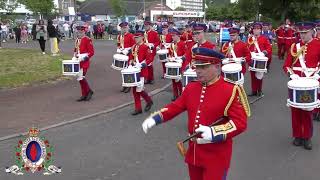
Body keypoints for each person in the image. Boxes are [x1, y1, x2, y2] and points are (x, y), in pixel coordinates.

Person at [142, 47, 250, 180]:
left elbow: (240, 123)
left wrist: (213, 132)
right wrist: (156, 118)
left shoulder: (231, 90)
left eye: (203, 67)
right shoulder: (192, 87)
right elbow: (175, 107)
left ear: (217, 67)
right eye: (197, 66)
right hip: (195, 153)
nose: (198, 70)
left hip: (217, 155)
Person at [283, 22, 320, 150]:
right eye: (301, 33)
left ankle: (307, 137)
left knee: (307, 111)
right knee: (295, 111)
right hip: (296, 84)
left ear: (312, 32)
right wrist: (291, 75)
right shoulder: (295, 46)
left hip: (310, 83)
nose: (303, 35)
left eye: (305, 33)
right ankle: (297, 135)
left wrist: (317, 75)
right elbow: (287, 65)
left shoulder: (318, 45)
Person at [128, 30, 153, 115]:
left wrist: (143, 64)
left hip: (142, 71)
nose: (135, 39)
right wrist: (131, 61)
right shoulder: (133, 47)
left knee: (138, 90)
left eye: (137, 37)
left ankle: (147, 101)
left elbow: (150, 59)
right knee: (135, 90)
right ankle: (139, 108)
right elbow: (131, 56)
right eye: (135, 38)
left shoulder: (145, 47)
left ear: (142, 37)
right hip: (134, 71)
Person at [247, 22, 272, 97]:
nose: (256, 30)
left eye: (258, 29)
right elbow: (247, 48)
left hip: (260, 60)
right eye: (254, 29)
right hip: (252, 59)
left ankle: (259, 90)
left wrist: (264, 52)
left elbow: (269, 48)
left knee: (259, 75)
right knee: (252, 76)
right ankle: (254, 91)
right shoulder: (250, 39)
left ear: (260, 30)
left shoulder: (264, 38)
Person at [74, 23, 95, 102]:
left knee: (81, 77)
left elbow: (91, 52)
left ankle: (87, 92)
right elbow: (76, 50)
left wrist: (84, 57)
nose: (79, 33)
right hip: (78, 61)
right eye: (78, 32)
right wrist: (74, 55)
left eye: (81, 32)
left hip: (84, 62)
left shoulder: (87, 39)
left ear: (84, 32)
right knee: (80, 79)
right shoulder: (77, 40)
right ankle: (85, 93)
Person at [117, 22, 136, 93]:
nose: (123, 29)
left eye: (125, 28)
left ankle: (129, 86)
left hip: (129, 55)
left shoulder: (131, 35)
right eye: (122, 28)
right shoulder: (119, 36)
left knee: (128, 71)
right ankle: (124, 85)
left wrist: (128, 49)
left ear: (127, 28)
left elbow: (134, 45)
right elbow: (118, 44)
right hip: (122, 55)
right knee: (123, 71)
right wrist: (119, 49)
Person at [168, 29, 186, 101]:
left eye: (174, 36)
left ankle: (181, 94)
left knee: (178, 80)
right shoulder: (172, 44)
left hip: (179, 64)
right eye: (172, 36)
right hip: (173, 63)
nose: (172, 37)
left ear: (178, 36)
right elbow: (170, 53)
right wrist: (170, 58)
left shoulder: (182, 43)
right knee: (173, 79)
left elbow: (186, 54)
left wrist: (180, 59)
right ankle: (175, 94)